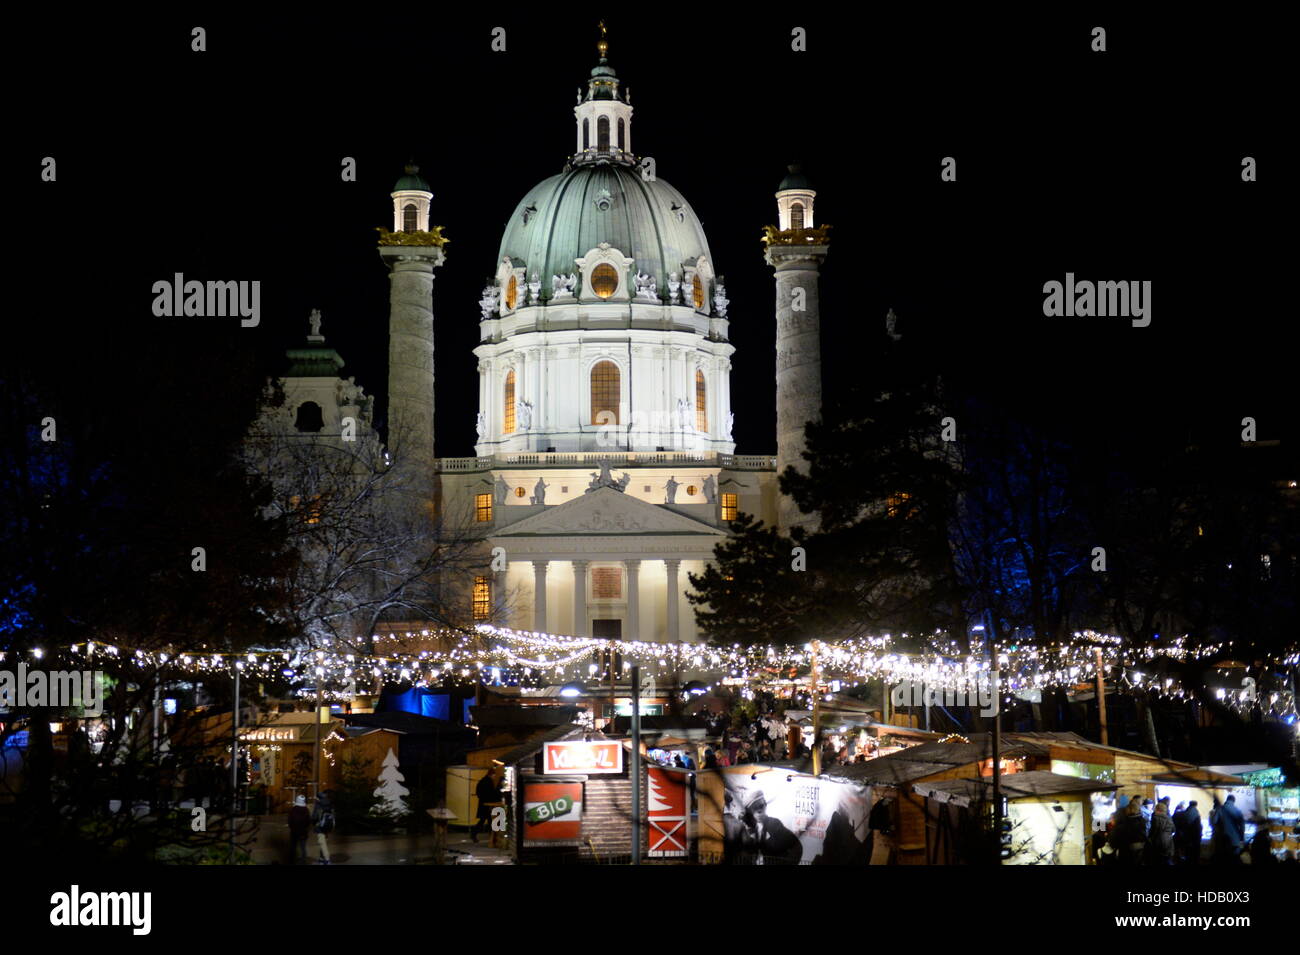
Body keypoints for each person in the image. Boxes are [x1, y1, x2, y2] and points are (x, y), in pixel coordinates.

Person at [472, 765, 504, 847]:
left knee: (485, 820)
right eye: (494, 775)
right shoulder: (488, 782)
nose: (494, 777)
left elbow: (479, 792)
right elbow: (491, 793)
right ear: (491, 774)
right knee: (488, 820)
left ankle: (488, 837)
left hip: (483, 804)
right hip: (487, 805)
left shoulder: (483, 780)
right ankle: (490, 837)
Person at [1212, 794, 1245, 864]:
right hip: (1235, 840)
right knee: (1235, 860)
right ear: (1234, 801)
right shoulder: (1238, 810)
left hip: (1223, 839)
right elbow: (1242, 826)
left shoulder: (1219, 809)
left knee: (1224, 860)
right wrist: (1241, 838)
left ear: (1226, 800)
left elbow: (1214, 821)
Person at [312, 791, 335, 865]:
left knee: (322, 843)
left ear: (318, 798)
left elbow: (314, 817)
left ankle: (327, 860)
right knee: (324, 841)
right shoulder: (329, 803)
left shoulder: (318, 804)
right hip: (328, 826)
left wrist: (313, 822)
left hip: (320, 827)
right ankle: (321, 859)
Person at [288, 794, 311, 864]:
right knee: (303, 848)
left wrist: (292, 828)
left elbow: (290, 821)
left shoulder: (293, 810)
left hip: (294, 832)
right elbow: (308, 822)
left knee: (293, 847)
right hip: (303, 832)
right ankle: (304, 861)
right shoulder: (306, 810)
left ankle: (292, 861)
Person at [1177, 800, 1202, 864]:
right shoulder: (1195, 812)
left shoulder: (1186, 812)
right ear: (1196, 805)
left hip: (1187, 835)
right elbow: (1198, 825)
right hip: (1194, 835)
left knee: (1188, 852)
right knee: (1195, 853)